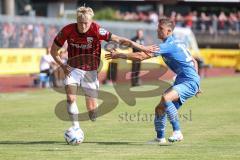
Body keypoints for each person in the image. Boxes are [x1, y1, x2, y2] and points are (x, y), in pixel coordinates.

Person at [50, 6, 157, 131]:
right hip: (73, 69)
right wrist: (62, 65)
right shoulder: (67, 30)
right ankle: (76, 128)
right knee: (70, 98)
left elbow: (120, 39)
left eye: (86, 23)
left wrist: (142, 47)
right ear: (76, 21)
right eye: (81, 23)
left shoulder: (96, 29)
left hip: (90, 71)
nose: (84, 26)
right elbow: (53, 51)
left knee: (92, 113)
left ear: (91, 21)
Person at [106, 18, 201, 144]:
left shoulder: (167, 45)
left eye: (161, 29)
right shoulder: (178, 42)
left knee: (166, 98)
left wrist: (120, 55)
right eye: (158, 27)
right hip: (186, 80)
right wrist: (197, 82)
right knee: (159, 109)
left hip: (188, 81)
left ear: (169, 31)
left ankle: (177, 132)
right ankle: (160, 138)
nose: (158, 30)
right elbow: (193, 61)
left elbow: (140, 56)